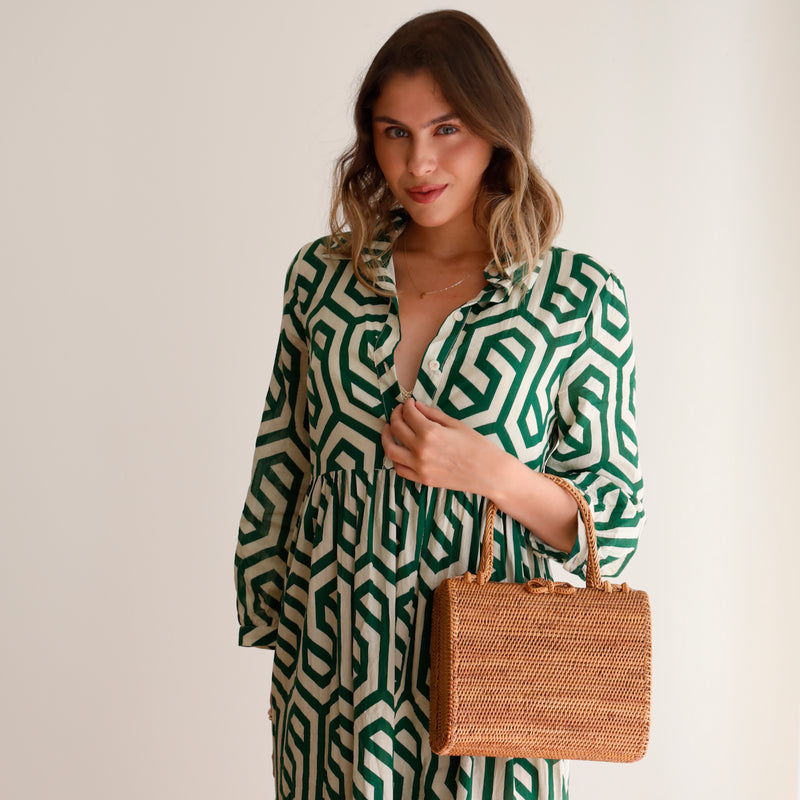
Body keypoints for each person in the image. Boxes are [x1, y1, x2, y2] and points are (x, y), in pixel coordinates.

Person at [234, 9, 644, 800]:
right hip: (333, 678)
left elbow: (613, 526)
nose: (418, 161)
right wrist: (278, 617)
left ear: (497, 130)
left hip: (491, 680)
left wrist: (493, 472)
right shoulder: (322, 277)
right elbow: (281, 456)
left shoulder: (577, 298)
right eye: (393, 133)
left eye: (446, 129)